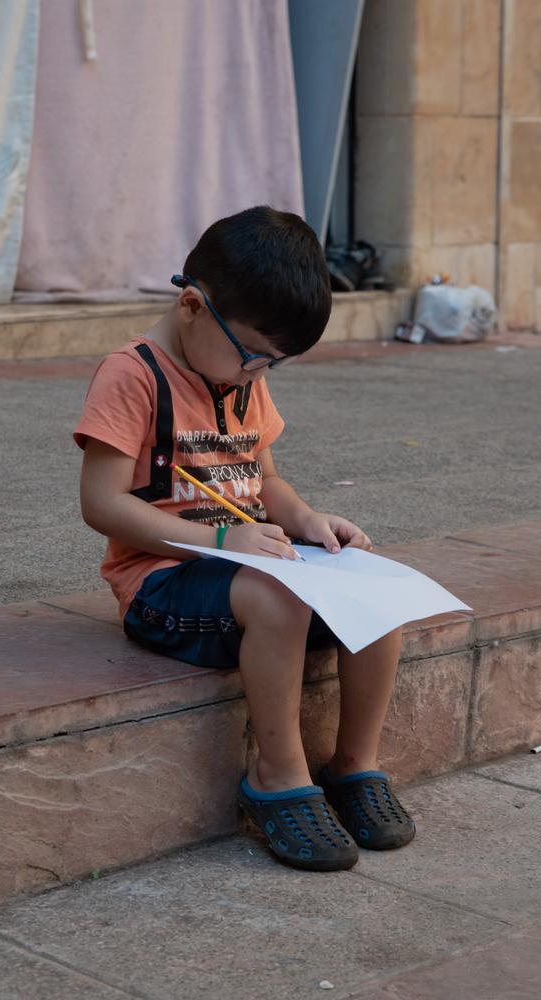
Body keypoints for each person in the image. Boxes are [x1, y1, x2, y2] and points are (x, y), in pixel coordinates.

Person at [74, 206, 416, 871]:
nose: (257, 376)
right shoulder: (133, 376)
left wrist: (308, 520)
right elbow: (101, 504)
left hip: (250, 576)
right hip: (163, 586)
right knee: (274, 598)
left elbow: (265, 482)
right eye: (254, 358)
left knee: (376, 593)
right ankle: (277, 775)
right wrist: (227, 544)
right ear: (192, 307)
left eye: (272, 367)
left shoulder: (237, 379)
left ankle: (353, 766)